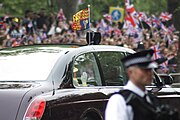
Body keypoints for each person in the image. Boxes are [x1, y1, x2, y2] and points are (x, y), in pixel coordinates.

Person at [105, 49, 178, 120]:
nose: (149, 73)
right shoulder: (120, 100)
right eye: (144, 70)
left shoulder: (150, 98)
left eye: (150, 69)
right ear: (130, 72)